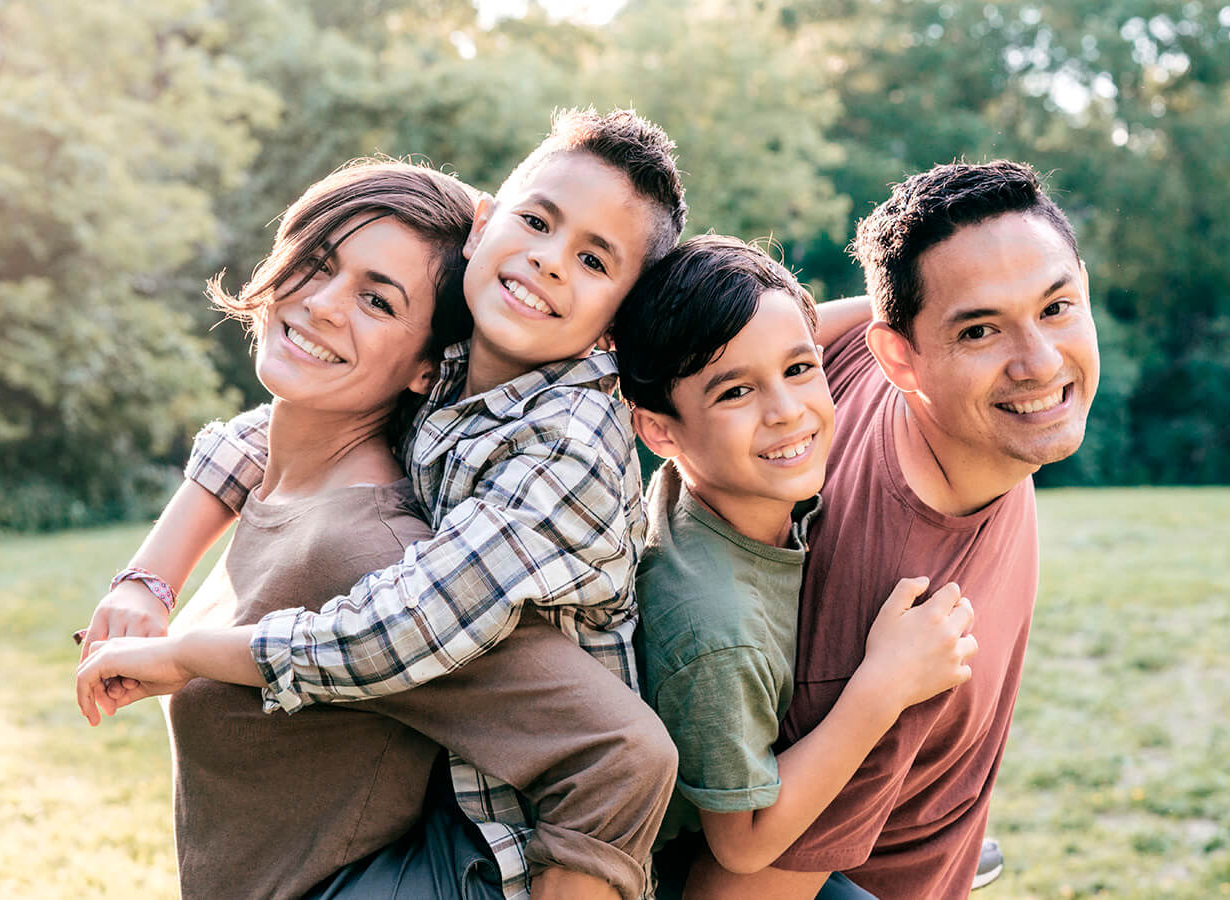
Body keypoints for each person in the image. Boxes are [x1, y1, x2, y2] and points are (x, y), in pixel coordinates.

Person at [78, 107, 690, 900]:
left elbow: (615, 748)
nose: (546, 262)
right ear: (485, 226)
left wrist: (185, 654)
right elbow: (269, 433)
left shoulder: (539, 460)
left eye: (378, 301)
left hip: (495, 858)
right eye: (535, 221)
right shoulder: (460, 394)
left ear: (615, 326)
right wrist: (149, 579)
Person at [698, 161, 1100, 898]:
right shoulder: (894, 626)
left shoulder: (830, 361)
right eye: (980, 330)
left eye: (1055, 307)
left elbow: (753, 336)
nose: (1040, 365)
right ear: (903, 358)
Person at [608, 235, 979, 899]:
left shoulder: (717, 486)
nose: (785, 412)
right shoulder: (716, 625)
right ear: (661, 431)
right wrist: (884, 686)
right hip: (677, 874)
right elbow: (741, 844)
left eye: (801, 370)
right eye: (736, 392)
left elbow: (793, 325)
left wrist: (936, 305)